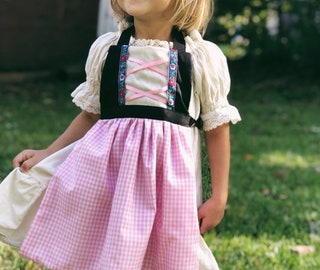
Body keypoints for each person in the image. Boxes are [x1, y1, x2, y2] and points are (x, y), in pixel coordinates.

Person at [13, 0, 241, 268]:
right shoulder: (107, 49)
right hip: (106, 175)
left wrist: (219, 197)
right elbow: (90, 114)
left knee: (168, 246)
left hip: (167, 183)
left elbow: (216, 127)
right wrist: (49, 153)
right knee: (108, 244)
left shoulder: (200, 56)